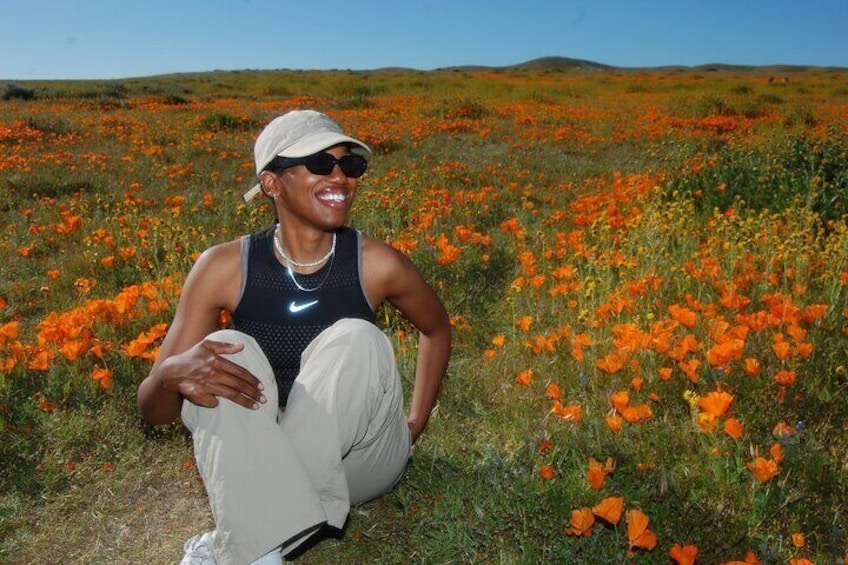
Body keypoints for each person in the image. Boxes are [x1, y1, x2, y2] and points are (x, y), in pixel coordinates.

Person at [136, 109, 451, 565]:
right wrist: (170, 374)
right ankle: (263, 552)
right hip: (267, 442)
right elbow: (152, 412)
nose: (341, 177)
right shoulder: (224, 267)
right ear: (271, 183)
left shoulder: (377, 264)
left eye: (351, 165)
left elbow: (437, 328)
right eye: (321, 163)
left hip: (357, 459)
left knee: (358, 337)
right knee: (228, 353)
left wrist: (414, 424)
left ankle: (243, 539)